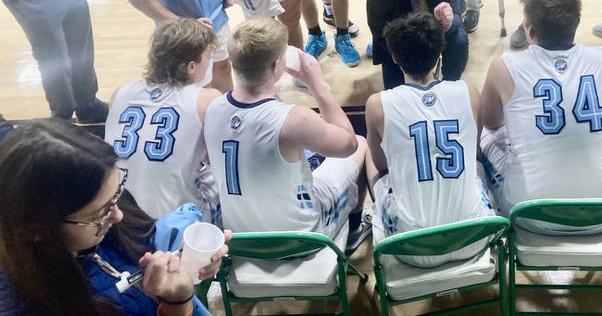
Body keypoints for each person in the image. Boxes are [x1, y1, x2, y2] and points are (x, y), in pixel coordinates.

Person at [0, 118, 228, 316]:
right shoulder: (25, 304)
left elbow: (143, 234)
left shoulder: (101, 206)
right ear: (37, 229)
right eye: (100, 214)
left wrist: (185, 260)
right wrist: (177, 303)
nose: (118, 215)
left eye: (117, 193)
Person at [203, 18, 372, 254]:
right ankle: (354, 230)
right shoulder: (294, 119)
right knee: (363, 145)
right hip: (299, 238)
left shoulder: (211, 107)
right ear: (276, 67)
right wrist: (318, 86)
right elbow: (348, 144)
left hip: (239, 239)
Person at [480, 0, 602, 232]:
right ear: (575, 25)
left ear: (529, 31)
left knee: (486, 137)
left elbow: (491, 123)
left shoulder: (504, 64)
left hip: (530, 214)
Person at [366, 12, 494, 267]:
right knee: (476, 156)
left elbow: (382, 166)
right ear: (439, 56)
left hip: (411, 246)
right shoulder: (468, 91)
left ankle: (370, 219)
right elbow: (474, 149)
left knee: (367, 152)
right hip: (475, 235)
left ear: (394, 57)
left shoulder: (377, 104)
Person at [105, 19, 221, 223]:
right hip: (175, 219)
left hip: (120, 215)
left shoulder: (120, 93)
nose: (210, 62)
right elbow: (220, 158)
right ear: (191, 66)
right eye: (208, 58)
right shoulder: (207, 100)